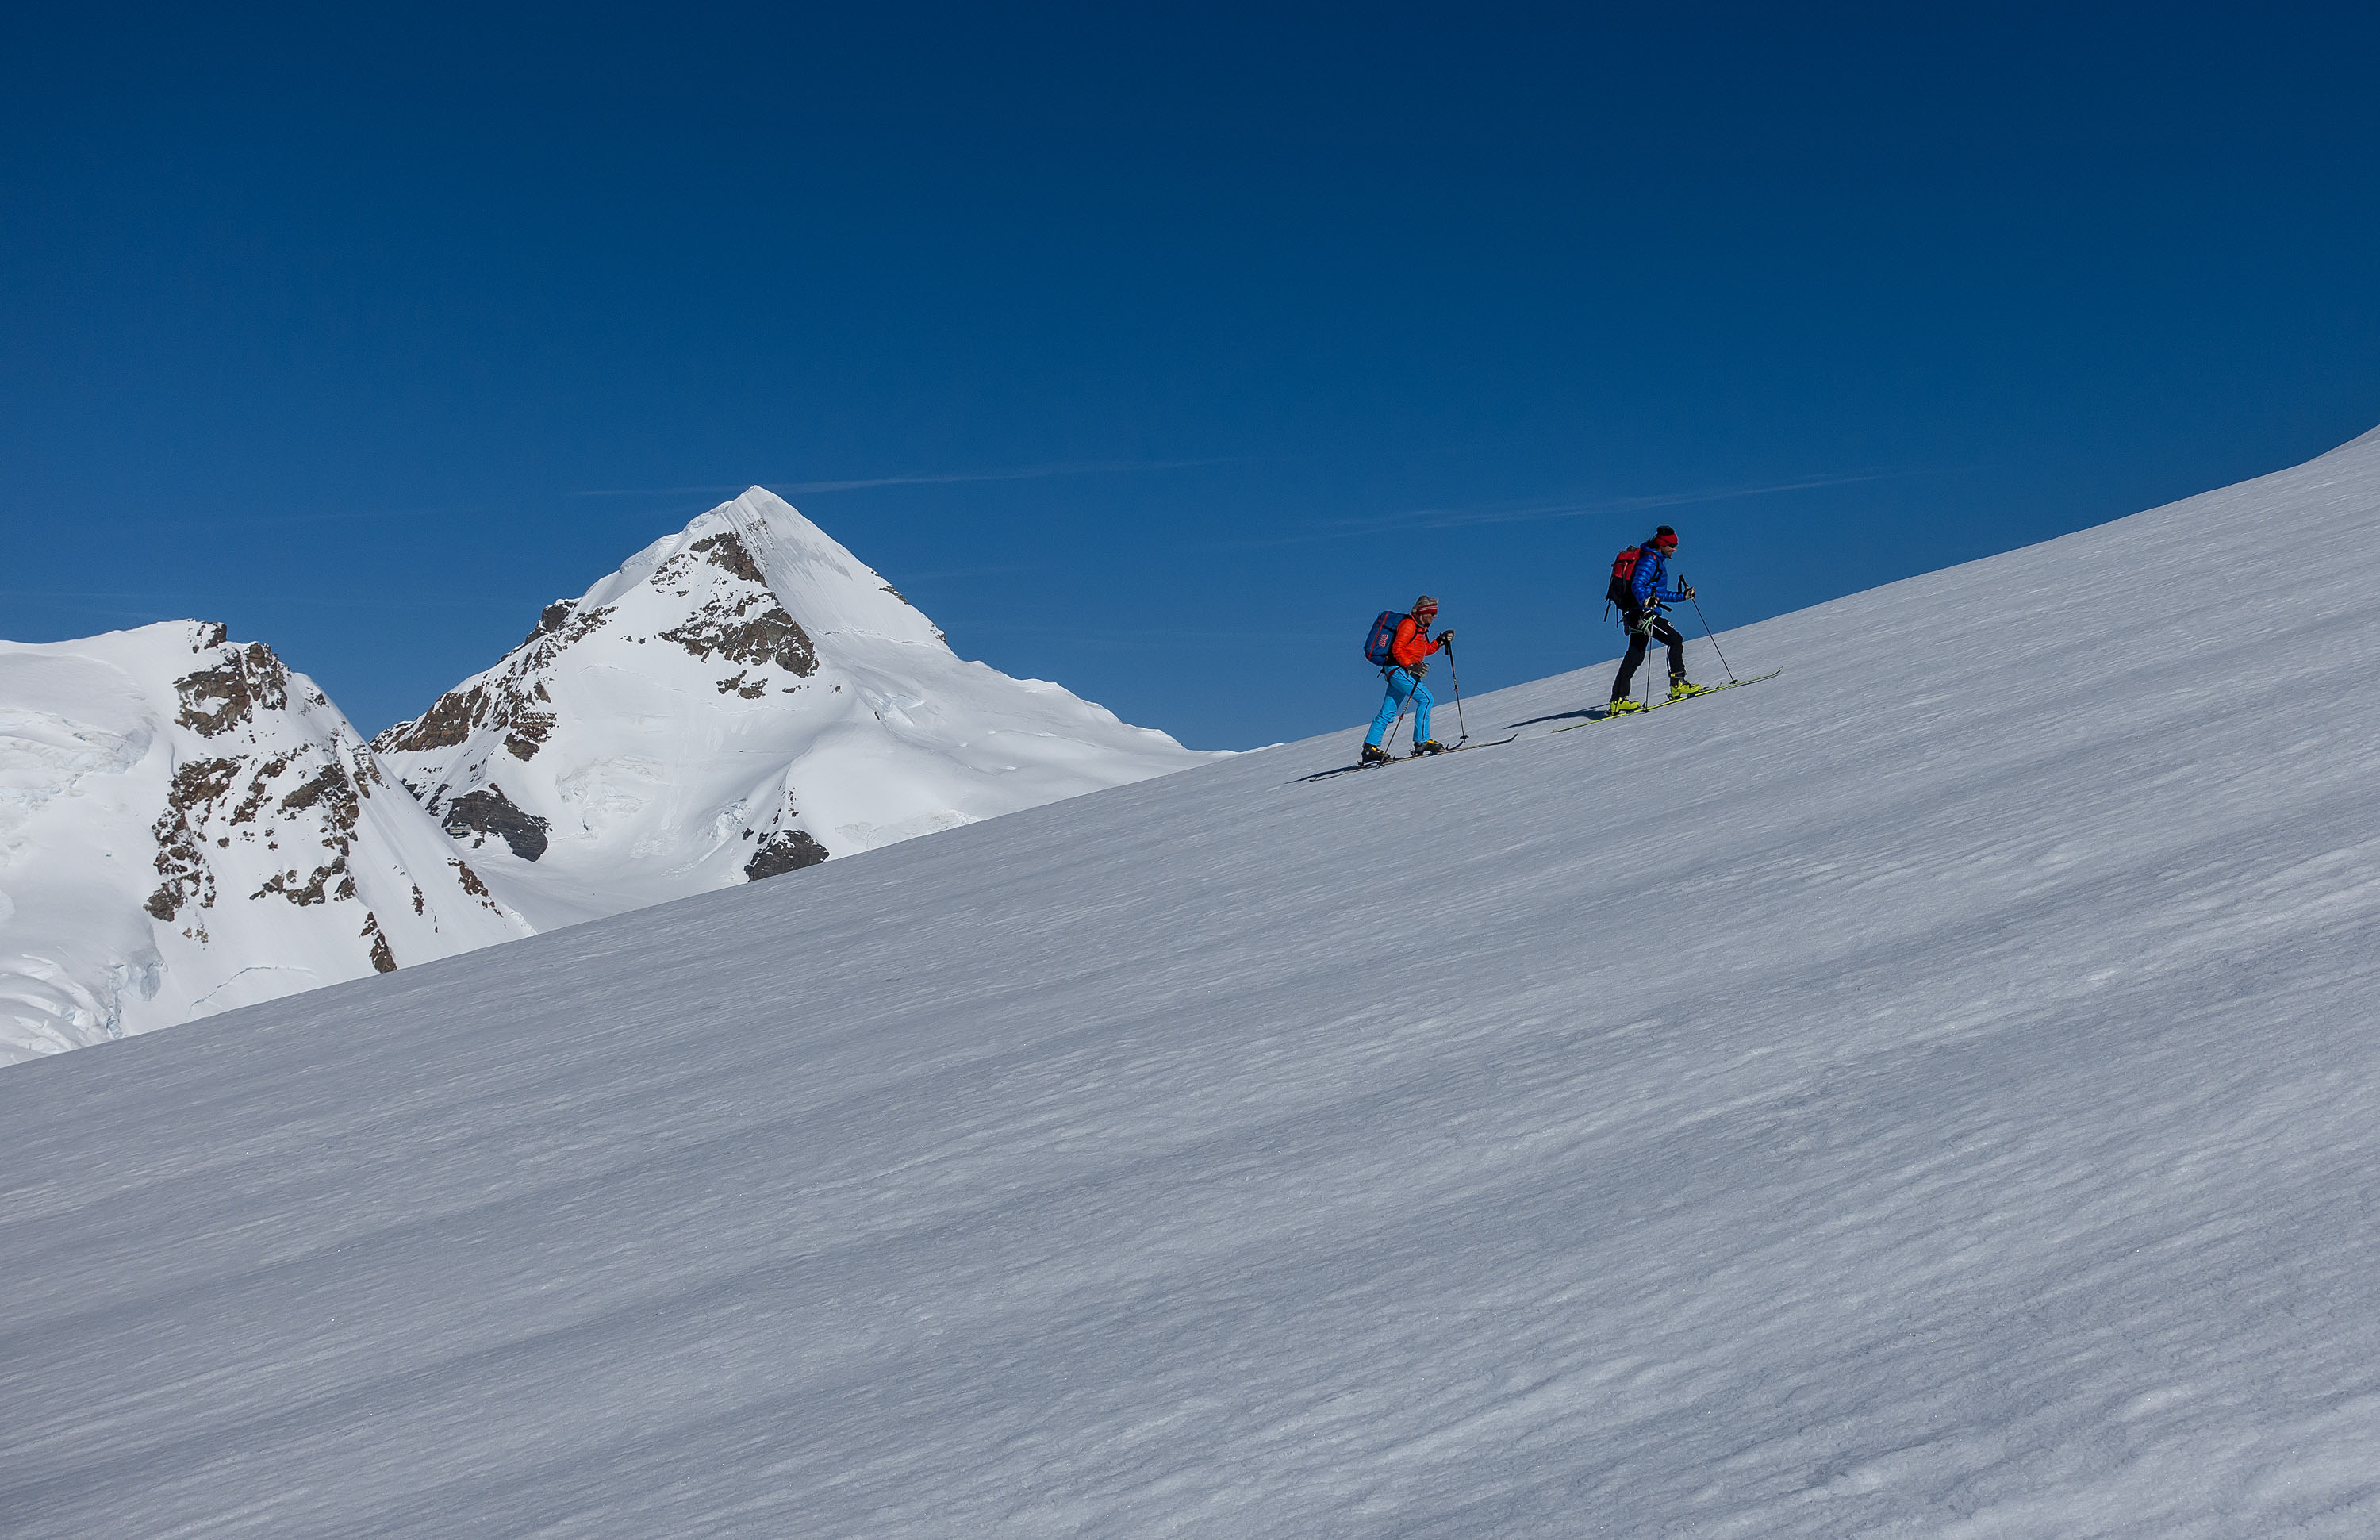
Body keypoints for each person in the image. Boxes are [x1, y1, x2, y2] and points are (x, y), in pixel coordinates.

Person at [1608, 526, 1701, 713]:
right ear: (1662, 544)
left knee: (1635, 655)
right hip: (1643, 614)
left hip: (1636, 615)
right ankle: (1678, 684)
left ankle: (1618, 700)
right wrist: (1645, 600)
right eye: (1672, 545)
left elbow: (1659, 593)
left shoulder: (1655, 560)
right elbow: (1637, 584)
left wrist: (1682, 596)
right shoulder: (1650, 561)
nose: (1675, 549)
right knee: (1675, 640)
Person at [1361, 596, 1455, 764]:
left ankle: (1369, 749)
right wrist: (1411, 666)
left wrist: (1440, 641)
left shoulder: (1421, 629)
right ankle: (1421, 741)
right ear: (1422, 613)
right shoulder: (1409, 625)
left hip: (1401, 670)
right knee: (1426, 699)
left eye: (1436, 614)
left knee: (1388, 711)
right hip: (1398, 670)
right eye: (1432, 613)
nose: (1434, 617)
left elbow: (1424, 650)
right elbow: (1397, 650)